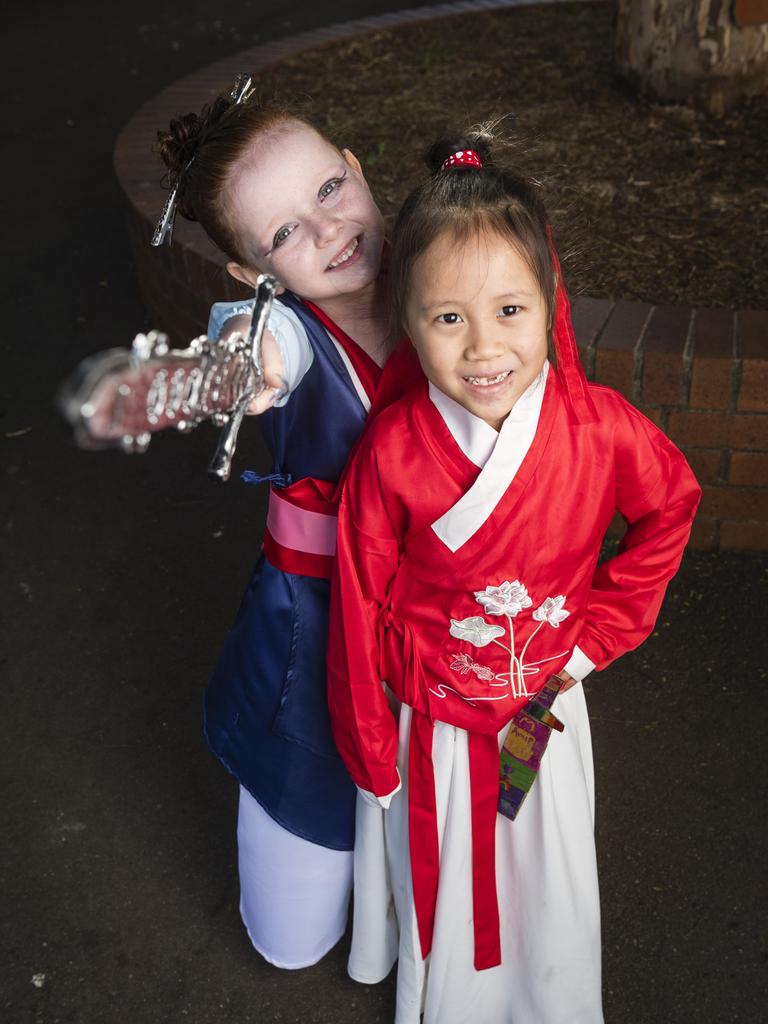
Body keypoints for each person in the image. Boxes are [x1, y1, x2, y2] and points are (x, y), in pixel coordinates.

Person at [326, 130, 701, 1023]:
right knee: (456, 869)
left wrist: (596, 635)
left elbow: (669, 507)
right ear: (409, 324)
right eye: (447, 317)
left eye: (510, 310)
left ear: (550, 304)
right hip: (436, 722)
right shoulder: (392, 452)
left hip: (539, 706)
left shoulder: (600, 427)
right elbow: (357, 598)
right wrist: (374, 744)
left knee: (541, 866)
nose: (484, 347)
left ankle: (547, 997)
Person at [154, 78, 420, 969]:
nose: (329, 230)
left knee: (483, 823)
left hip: (455, 624)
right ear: (254, 273)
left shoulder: (441, 273)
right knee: (293, 942)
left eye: (329, 191)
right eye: (283, 235)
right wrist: (241, 359)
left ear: (355, 167)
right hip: (322, 637)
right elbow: (251, 342)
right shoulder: (290, 334)